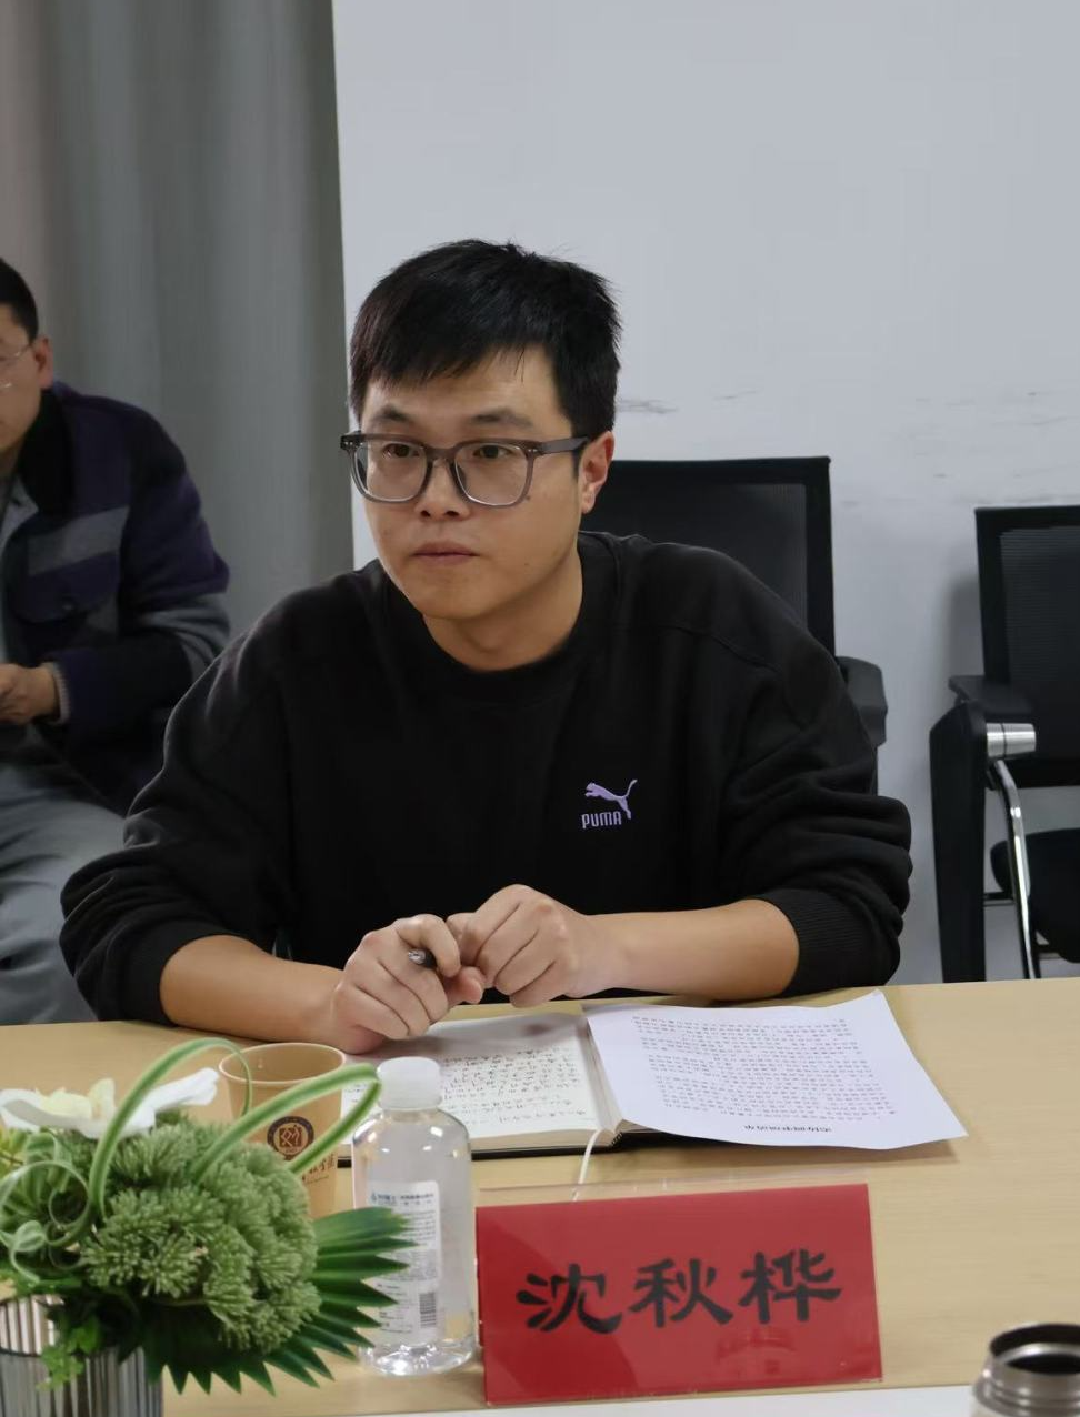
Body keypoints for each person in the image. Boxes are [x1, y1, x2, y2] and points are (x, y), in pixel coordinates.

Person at [61, 239, 910, 1051]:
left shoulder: (710, 629)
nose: (436, 497)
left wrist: (605, 948)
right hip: (395, 1120)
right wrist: (329, 1002)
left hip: (682, 1113)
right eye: (399, 450)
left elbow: (848, 905)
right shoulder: (298, 661)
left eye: (492, 451)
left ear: (591, 469)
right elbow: (126, 918)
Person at [0, 257, 229, 1023]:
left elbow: (194, 645)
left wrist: (50, 688)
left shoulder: (120, 453)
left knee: (65, 938)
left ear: (39, 360)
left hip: (66, 783)